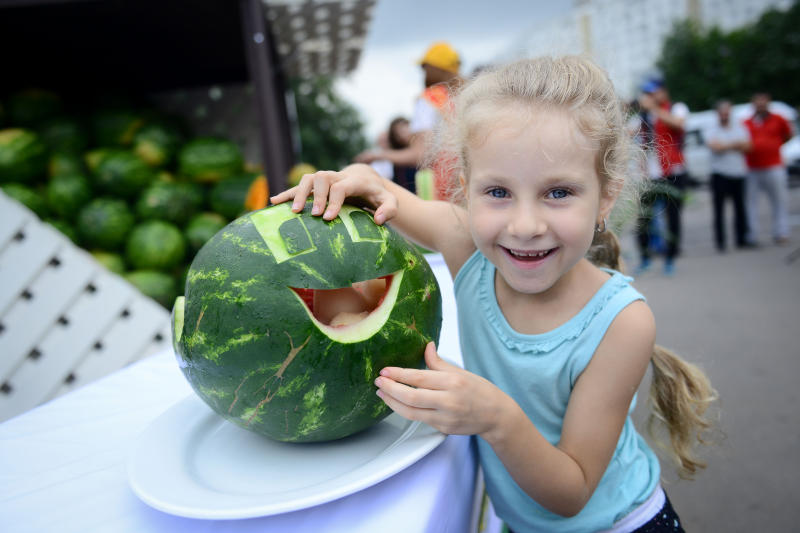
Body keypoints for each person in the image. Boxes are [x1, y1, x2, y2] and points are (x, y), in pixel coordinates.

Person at [272, 56, 717, 533]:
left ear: (606, 196)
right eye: (498, 192)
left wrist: (494, 417)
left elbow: (571, 492)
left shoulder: (622, 323)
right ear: (465, 188)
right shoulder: (466, 243)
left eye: (560, 192)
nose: (524, 226)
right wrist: (347, 180)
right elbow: (383, 195)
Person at [355, 41, 462, 200]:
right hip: (469, 184)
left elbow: (420, 155)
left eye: (424, 68)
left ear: (433, 68)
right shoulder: (468, 95)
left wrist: (376, 156)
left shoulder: (428, 99)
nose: (423, 74)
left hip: (444, 188)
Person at [636, 78, 690, 275]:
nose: (650, 97)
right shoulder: (643, 116)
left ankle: (671, 258)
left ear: (663, 91)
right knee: (643, 218)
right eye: (647, 94)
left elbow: (678, 124)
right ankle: (644, 258)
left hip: (673, 173)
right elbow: (633, 137)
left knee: (673, 218)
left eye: (653, 93)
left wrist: (654, 110)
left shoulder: (676, 108)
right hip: (650, 175)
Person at [743, 92, 794, 246]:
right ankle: (752, 234)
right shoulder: (747, 122)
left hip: (774, 165)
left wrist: (774, 145)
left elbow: (788, 135)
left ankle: (781, 231)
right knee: (751, 202)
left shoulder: (778, 119)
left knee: (779, 200)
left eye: (763, 103)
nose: (760, 106)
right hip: (753, 167)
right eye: (758, 103)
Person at [706, 99, 752, 251]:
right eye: (722, 112)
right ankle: (721, 242)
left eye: (727, 112)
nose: (725, 115)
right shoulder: (712, 128)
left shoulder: (739, 126)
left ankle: (741, 239)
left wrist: (726, 145)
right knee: (719, 210)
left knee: (740, 208)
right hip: (720, 173)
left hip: (737, 172)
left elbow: (748, 146)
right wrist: (735, 144)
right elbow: (715, 147)